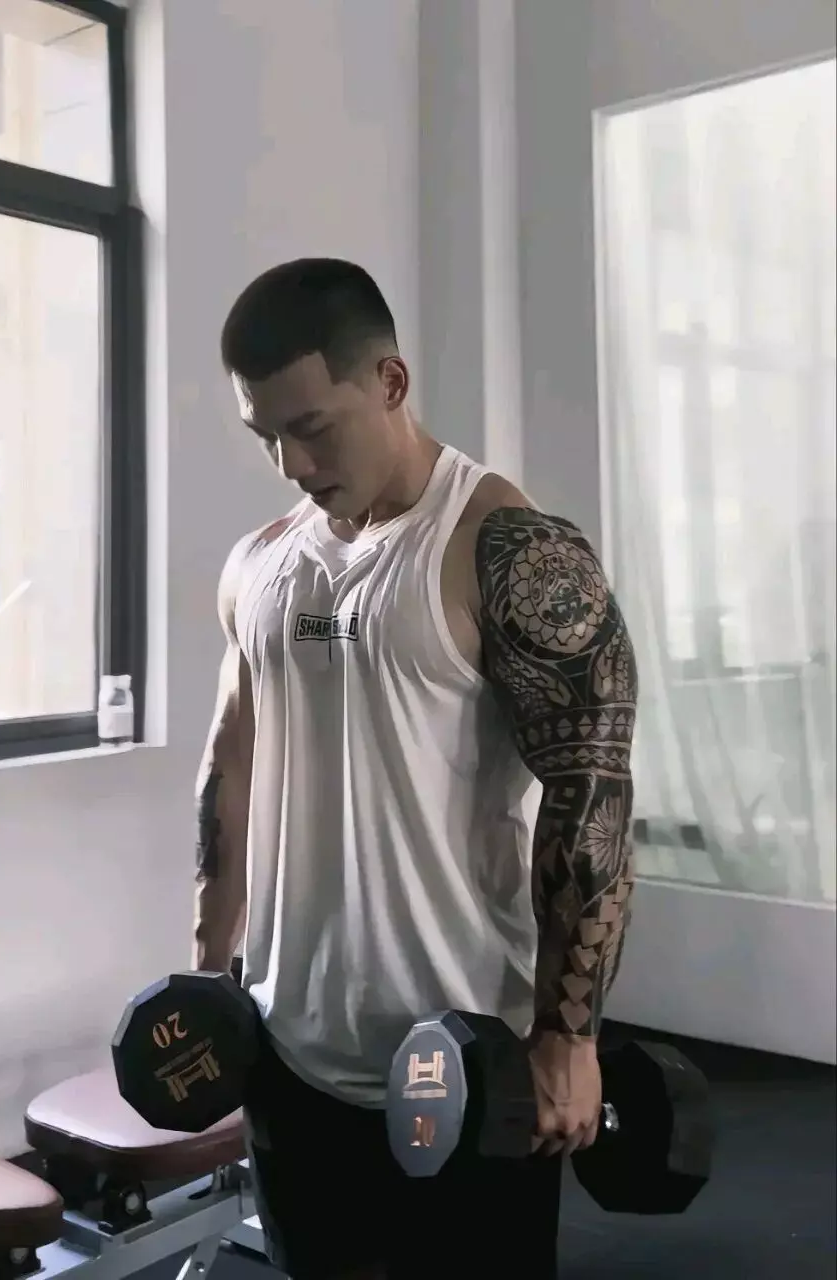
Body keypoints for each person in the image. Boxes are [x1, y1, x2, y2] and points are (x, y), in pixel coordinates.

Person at [193, 258, 638, 1280]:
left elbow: (593, 793)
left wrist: (569, 1036)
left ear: (390, 382)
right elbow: (231, 756)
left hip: (467, 1055)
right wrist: (208, 964)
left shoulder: (510, 550)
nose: (291, 462)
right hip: (289, 1046)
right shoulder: (260, 562)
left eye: (312, 426)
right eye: (266, 435)